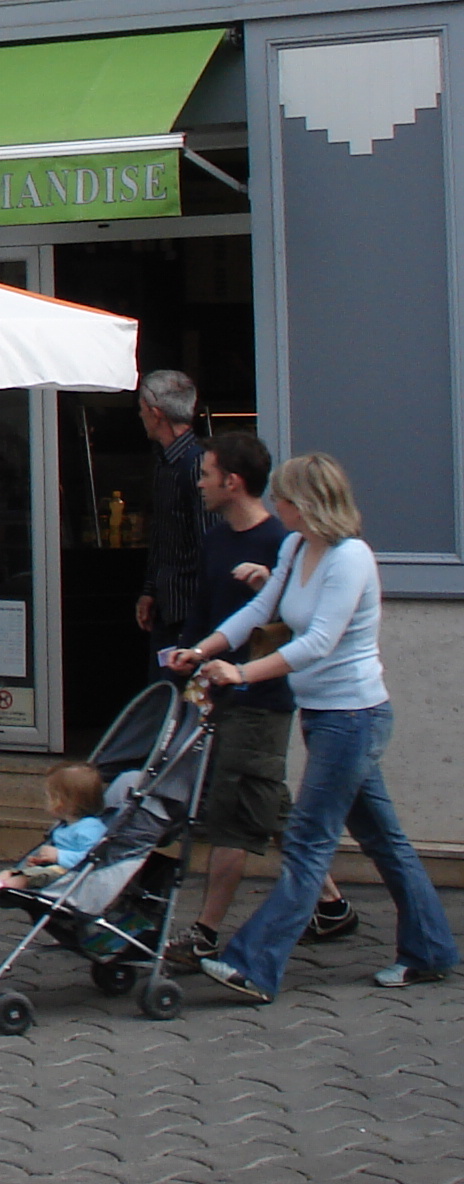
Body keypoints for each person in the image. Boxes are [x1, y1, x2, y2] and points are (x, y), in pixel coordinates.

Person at [171, 453, 459, 1002]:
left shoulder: (351, 559)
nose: (275, 504)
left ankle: (253, 964)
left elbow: (319, 642)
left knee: (307, 840)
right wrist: (203, 649)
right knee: (384, 840)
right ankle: (431, 951)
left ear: (306, 502)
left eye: (282, 496)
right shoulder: (296, 546)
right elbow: (259, 611)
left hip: (354, 718)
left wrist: (241, 672)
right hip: (326, 717)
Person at [165, 431, 356, 970]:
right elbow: (214, 612)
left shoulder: (287, 543)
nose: (199, 484)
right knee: (265, 801)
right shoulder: (218, 539)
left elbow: (302, 626)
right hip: (221, 683)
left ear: (232, 481)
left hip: (262, 692)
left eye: (205, 474)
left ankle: (204, 931)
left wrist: (264, 593)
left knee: (233, 806)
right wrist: (192, 654)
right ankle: (333, 905)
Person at [0, 764, 110, 916]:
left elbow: (93, 858)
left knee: (22, 877)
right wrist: (43, 859)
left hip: (73, 877)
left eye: (49, 797)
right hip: (54, 871)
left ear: (63, 801)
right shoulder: (66, 825)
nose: (45, 802)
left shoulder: (90, 827)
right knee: (11, 873)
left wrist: (58, 855)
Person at [136, 368, 207, 654]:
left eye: (142, 410)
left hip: (190, 613)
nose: (140, 417)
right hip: (170, 606)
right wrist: (151, 589)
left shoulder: (197, 464)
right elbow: (163, 535)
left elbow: (208, 542)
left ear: (156, 413)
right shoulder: (166, 462)